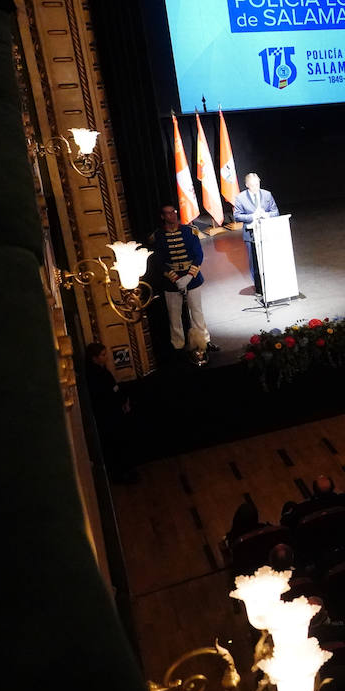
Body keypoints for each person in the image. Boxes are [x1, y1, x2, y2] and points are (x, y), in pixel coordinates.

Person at [148, 203, 211, 361]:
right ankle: (178, 346)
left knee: (197, 311)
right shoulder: (158, 236)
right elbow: (158, 261)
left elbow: (198, 255)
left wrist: (189, 277)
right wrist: (175, 278)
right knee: (174, 315)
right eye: (168, 213)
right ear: (163, 216)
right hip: (171, 281)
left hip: (192, 277)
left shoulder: (190, 231)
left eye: (174, 212)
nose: (172, 216)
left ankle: (204, 343)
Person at [85, 342, 137, 483]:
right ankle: (120, 474)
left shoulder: (102, 371)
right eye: (103, 355)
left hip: (114, 412)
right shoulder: (96, 376)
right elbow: (107, 394)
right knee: (115, 444)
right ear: (94, 358)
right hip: (109, 415)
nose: (106, 357)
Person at [232, 171, 280, 297]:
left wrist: (266, 215)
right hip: (251, 235)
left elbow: (275, 212)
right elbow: (237, 216)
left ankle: (271, 284)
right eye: (252, 185)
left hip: (267, 233)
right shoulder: (241, 197)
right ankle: (259, 287)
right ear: (247, 185)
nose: (255, 187)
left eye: (257, 184)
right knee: (255, 263)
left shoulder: (267, 194)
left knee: (269, 260)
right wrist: (252, 216)